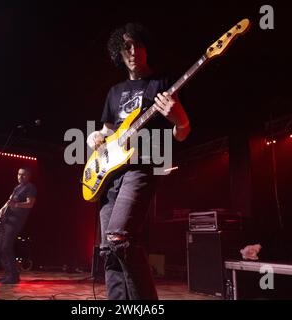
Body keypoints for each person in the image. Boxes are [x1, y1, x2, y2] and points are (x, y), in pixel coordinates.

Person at [86, 22, 191, 300]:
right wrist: (94, 137)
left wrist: (179, 117)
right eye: (126, 47)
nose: (132, 51)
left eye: (137, 45)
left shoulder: (162, 84)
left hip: (144, 164)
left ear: (146, 48)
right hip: (111, 172)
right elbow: (108, 132)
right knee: (108, 249)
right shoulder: (114, 92)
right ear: (118, 53)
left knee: (119, 237)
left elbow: (181, 134)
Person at [0, 167, 36, 284]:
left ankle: (13, 276)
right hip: (7, 219)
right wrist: (1, 209)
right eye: (19, 174)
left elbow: (30, 204)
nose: (20, 177)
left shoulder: (30, 187)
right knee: (0, 247)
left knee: (6, 247)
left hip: (16, 220)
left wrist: (16, 204)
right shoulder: (17, 187)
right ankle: (8, 274)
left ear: (28, 176)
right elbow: (9, 201)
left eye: (23, 175)